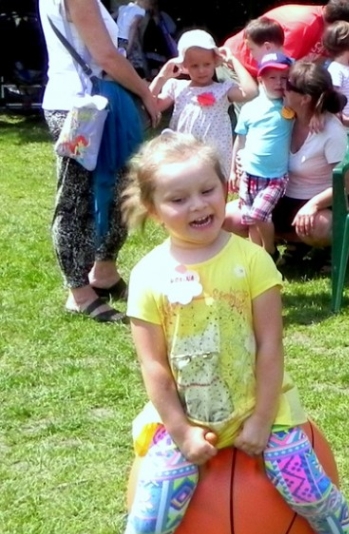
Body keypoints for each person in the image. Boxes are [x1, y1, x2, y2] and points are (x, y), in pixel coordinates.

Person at [119, 132, 349, 534]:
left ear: (226, 187)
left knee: (314, 492)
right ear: (152, 209)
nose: (198, 205)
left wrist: (262, 418)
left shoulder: (253, 260)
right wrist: (181, 431)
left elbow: (269, 347)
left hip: (263, 411)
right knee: (147, 524)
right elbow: (154, 367)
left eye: (207, 190)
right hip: (187, 421)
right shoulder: (148, 276)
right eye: (178, 198)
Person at [39, 0, 161, 324]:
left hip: (96, 103)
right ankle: (78, 293)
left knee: (120, 188)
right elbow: (105, 58)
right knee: (75, 200)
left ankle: (103, 272)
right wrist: (147, 93)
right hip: (77, 108)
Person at [225, 61, 349, 272]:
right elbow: (257, 137)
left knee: (318, 227)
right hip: (278, 195)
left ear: (305, 98)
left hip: (316, 201)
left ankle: (326, 246)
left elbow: (345, 184)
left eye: (289, 85)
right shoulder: (284, 116)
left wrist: (314, 205)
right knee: (229, 217)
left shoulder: (331, 131)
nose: (282, 86)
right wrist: (244, 158)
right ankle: (278, 248)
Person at [151, 30, 258, 173]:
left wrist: (233, 60)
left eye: (207, 64)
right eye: (194, 66)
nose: (201, 70)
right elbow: (152, 104)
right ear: (185, 66)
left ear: (215, 62)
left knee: (216, 189)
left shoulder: (223, 90)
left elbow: (251, 92)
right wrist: (161, 77)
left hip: (215, 155)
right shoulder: (177, 86)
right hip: (184, 155)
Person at [231, 52, 295, 258]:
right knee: (250, 219)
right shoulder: (250, 108)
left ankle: (270, 251)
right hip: (249, 173)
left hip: (275, 176)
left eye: (284, 78)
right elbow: (240, 140)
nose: (278, 83)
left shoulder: (291, 106)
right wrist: (233, 170)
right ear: (261, 80)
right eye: (272, 78)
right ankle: (256, 258)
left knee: (259, 215)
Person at [222, 0, 349, 76]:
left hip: (265, 75)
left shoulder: (331, 33)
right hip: (236, 64)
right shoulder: (303, 26)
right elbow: (278, 67)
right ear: (342, 24)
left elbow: (316, 65)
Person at [114, 0, 153, 75]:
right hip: (126, 39)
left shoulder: (122, 8)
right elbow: (133, 27)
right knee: (132, 64)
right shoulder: (141, 11)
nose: (149, 7)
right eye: (149, 4)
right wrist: (129, 45)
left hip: (116, 38)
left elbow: (112, 17)